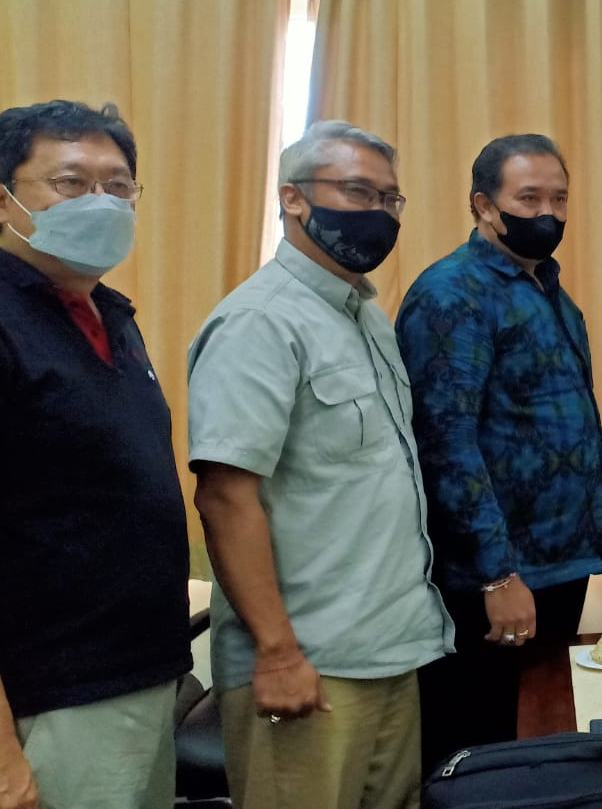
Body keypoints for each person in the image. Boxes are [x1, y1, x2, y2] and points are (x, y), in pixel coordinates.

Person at [187, 120, 453, 809]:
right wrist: (277, 651)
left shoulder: (366, 318)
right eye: (358, 192)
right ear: (293, 198)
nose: (379, 212)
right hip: (305, 663)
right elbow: (224, 497)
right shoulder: (260, 322)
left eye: (390, 199)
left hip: (388, 649)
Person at [0, 100, 190, 809]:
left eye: (119, 185)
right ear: (1, 202)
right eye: (71, 183)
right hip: (51, 696)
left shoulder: (110, 314)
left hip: (140, 676)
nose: (101, 202)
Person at [397, 134, 602, 770]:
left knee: (538, 734)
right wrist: (497, 574)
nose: (548, 212)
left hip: (560, 564)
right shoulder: (452, 293)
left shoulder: (552, 293)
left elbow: (565, 419)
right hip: (492, 578)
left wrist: (596, 524)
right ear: (484, 206)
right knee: (478, 751)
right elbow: (446, 442)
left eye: (559, 198)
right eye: (529, 198)